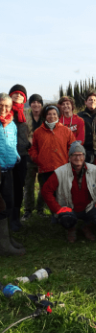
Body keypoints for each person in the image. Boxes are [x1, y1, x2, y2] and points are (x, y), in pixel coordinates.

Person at [41, 141, 96, 243]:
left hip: (89, 207)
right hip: (69, 208)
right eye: (74, 155)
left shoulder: (94, 170)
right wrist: (57, 209)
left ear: (84, 156)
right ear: (69, 157)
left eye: (80, 155)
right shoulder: (60, 172)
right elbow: (46, 190)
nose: (77, 158)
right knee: (66, 219)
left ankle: (86, 227)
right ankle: (71, 229)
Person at [0, 93, 25, 255]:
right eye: (1, 105)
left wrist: (16, 156)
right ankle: (3, 246)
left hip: (8, 169)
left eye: (7, 106)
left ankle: (6, 238)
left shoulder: (11, 125)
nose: (3, 109)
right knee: (0, 205)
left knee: (8, 203)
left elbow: (13, 143)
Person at [29, 105, 76, 186]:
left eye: (54, 114)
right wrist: (38, 159)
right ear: (45, 116)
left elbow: (73, 147)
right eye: (49, 114)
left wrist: (68, 159)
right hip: (45, 169)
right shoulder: (38, 132)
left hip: (62, 168)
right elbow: (33, 148)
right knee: (47, 195)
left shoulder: (66, 131)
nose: (52, 116)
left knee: (62, 195)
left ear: (58, 116)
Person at [8, 84, 30, 231]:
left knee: (19, 186)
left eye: (21, 94)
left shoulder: (25, 114)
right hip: (7, 157)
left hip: (22, 156)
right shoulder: (5, 113)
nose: (18, 96)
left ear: (24, 98)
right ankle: (7, 217)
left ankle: (15, 217)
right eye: (15, 93)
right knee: (7, 188)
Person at [22, 94, 45, 221]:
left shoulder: (45, 117)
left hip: (43, 157)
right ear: (30, 104)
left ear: (41, 104)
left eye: (38, 102)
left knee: (43, 184)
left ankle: (40, 209)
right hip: (29, 155)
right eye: (33, 102)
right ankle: (28, 210)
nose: (36, 104)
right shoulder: (25, 117)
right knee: (29, 185)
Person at [77, 92, 96, 163]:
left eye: (94, 100)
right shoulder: (79, 116)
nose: (92, 101)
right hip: (85, 151)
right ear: (85, 102)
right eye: (90, 100)